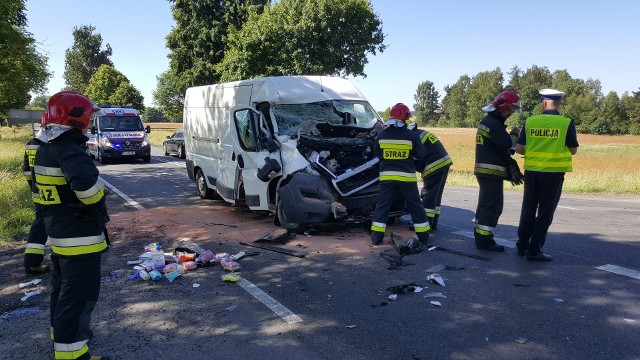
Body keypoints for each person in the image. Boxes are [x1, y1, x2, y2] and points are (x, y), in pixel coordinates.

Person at [33, 91, 111, 360]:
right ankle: (73, 355)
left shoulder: (45, 147)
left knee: (63, 292)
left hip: (60, 235)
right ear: (77, 117)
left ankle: (61, 338)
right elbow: (89, 192)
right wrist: (103, 190)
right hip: (80, 240)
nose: (89, 122)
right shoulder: (69, 149)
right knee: (78, 298)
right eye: (88, 116)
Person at [515, 89, 579, 261]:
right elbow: (573, 150)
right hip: (553, 174)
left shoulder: (530, 121)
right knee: (545, 212)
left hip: (532, 172)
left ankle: (522, 245)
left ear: (543, 103)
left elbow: (519, 149)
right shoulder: (566, 123)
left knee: (528, 209)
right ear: (559, 103)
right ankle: (534, 250)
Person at [370, 103, 430, 245]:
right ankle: (423, 237)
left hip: (387, 177)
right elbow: (421, 154)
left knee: (382, 206)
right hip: (406, 178)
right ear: (405, 117)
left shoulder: (382, 135)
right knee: (415, 206)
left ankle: (376, 238)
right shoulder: (411, 136)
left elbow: (377, 154)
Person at [473, 91, 522, 251]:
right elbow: (508, 145)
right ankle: (485, 241)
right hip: (491, 172)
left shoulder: (488, 121)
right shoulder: (494, 125)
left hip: (485, 171)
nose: (511, 113)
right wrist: (515, 135)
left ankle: (481, 237)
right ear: (501, 107)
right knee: (492, 206)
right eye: (509, 109)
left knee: (485, 205)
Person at [407, 120, 452, 230]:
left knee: (428, 194)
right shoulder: (420, 133)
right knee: (436, 195)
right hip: (444, 162)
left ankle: (425, 224)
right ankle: (433, 222)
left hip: (434, 165)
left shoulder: (413, 138)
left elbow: (415, 156)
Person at [22, 112, 51, 275]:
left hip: (38, 193)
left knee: (40, 224)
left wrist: (33, 187)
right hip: (54, 193)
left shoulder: (31, 143)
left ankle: (32, 262)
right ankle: (33, 263)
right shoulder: (54, 144)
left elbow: (26, 170)